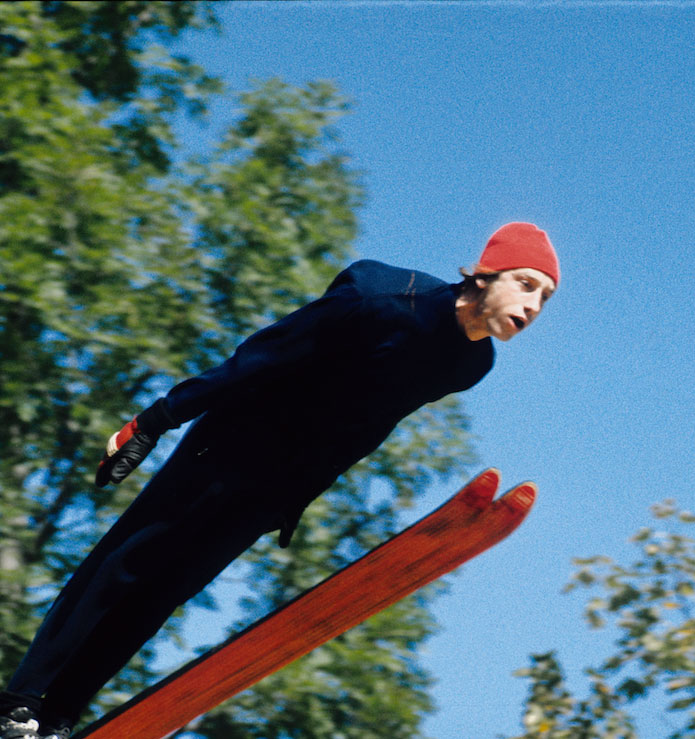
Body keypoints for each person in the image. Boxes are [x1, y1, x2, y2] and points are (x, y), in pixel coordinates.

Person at [0, 223, 559, 739]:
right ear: (485, 274)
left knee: (166, 592)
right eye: (526, 284)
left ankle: (58, 717)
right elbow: (261, 356)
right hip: (232, 439)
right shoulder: (380, 297)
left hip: (278, 480)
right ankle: (19, 703)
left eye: (544, 299)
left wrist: (297, 499)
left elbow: (370, 427)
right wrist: (157, 419)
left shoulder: (470, 366)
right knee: (126, 564)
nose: (532, 306)